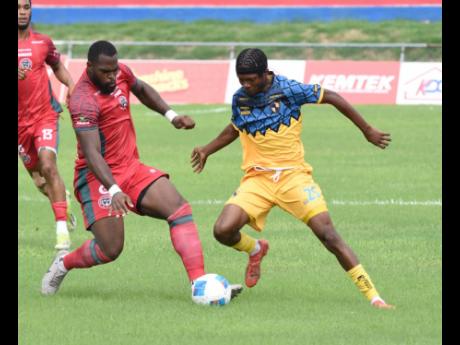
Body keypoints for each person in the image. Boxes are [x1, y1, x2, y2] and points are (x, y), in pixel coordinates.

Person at [191, 48, 394, 309]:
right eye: (242, 80)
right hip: (258, 180)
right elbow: (236, 127)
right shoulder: (240, 98)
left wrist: (367, 130)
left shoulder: (289, 89)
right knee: (222, 230)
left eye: (251, 79)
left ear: (266, 74)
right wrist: (207, 149)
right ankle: (255, 250)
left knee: (329, 235)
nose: (246, 85)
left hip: (294, 178)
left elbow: (331, 96)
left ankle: (374, 298)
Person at [41, 40, 242, 300]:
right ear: (89, 67)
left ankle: (199, 284)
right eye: (105, 72)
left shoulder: (119, 72)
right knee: (111, 249)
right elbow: (92, 154)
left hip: (131, 167)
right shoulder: (82, 101)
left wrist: (171, 116)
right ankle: (64, 263)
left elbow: (142, 89)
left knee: (179, 209)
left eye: (114, 70)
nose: (112, 76)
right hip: (97, 177)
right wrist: (113, 189)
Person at [18, 0, 77, 250]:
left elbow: (58, 66)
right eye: (18, 7)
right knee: (41, 182)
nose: (22, 12)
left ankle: (61, 229)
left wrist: (72, 85)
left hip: (45, 116)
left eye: (26, 7)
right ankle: (62, 199)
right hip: (20, 126)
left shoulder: (43, 42)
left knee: (48, 164)